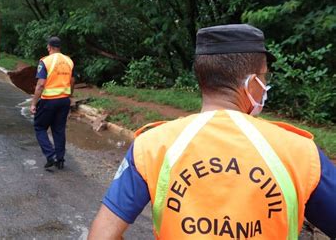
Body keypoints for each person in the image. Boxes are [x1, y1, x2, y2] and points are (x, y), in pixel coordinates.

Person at [88, 24, 336, 239]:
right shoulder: (301, 152)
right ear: (252, 83)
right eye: (264, 77)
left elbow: (102, 234)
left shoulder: (152, 145)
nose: (265, 86)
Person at [30, 36, 75, 170]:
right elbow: (72, 81)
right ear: (59, 47)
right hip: (64, 101)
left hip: (49, 101)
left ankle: (51, 155)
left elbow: (40, 85)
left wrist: (33, 103)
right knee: (59, 130)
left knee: (39, 127)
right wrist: (69, 96)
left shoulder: (45, 61)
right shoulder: (69, 61)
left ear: (49, 47)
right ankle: (60, 160)